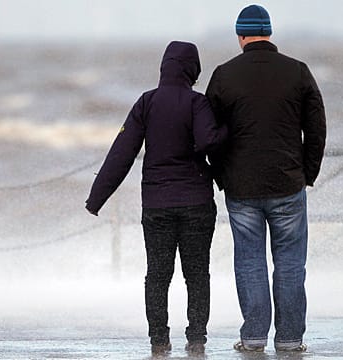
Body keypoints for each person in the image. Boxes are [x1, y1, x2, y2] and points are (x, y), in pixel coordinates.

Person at [85, 41, 227, 356]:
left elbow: (121, 154)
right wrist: (227, 129)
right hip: (196, 206)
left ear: (164, 66)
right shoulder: (198, 103)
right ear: (193, 69)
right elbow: (209, 142)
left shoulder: (146, 103)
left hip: (157, 206)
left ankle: (159, 341)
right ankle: (196, 338)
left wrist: (96, 199)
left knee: (158, 275)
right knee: (197, 274)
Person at [205, 4, 326, 353]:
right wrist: (308, 173)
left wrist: (221, 173)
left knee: (249, 261)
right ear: (269, 33)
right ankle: (290, 340)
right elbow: (316, 128)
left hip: (241, 187)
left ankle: (254, 337)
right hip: (288, 182)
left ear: (240, 35)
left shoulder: (224, 74)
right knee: (289, 264)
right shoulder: (298, 71)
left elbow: (210, 132)